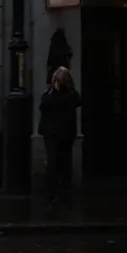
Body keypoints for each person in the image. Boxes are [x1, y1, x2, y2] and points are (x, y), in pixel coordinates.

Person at [39, 66, 82, 206]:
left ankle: (53, 191)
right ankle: (63, 189)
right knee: (63, 161)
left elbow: (44, 105)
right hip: (63, 133)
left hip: (54, 133)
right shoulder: (70, 94)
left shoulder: (53, 95)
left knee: (54, 162)